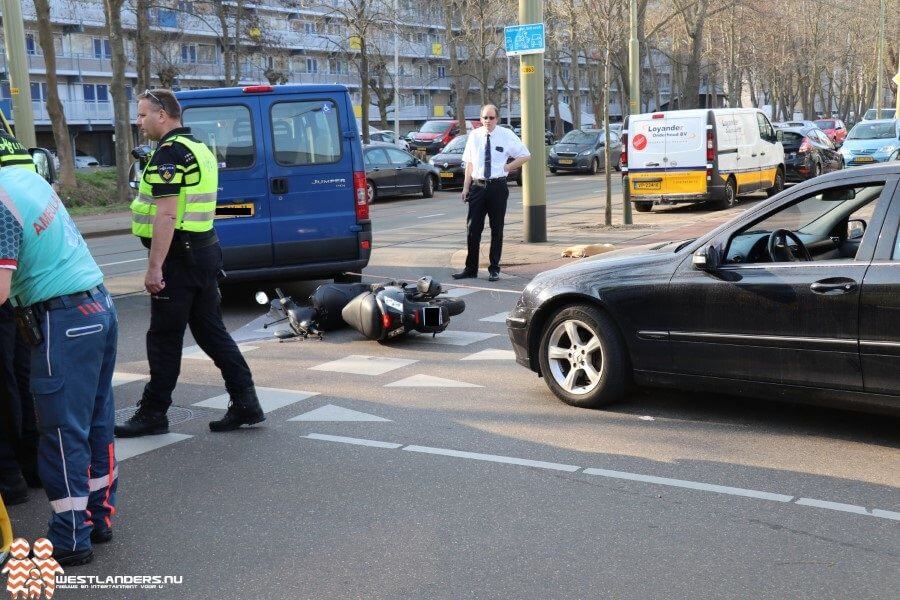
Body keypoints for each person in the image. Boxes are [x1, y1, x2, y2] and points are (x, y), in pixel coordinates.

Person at [115, 89, 264, 438]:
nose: (138, 122)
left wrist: (155, 268)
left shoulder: (170, 154)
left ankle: (153, 413)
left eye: (142, 115)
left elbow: (166, 216)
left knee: (164, 337)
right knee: (211, 331)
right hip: (204, 250)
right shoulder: (198, 147)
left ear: (162, 114)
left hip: (180, 257)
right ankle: (246, 401)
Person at [0, 166, 118, 567]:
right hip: (96, 304)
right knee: (96, 423)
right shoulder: (24, 178)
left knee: (62, 431)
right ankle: (97, 518)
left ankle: (69, 535)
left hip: (62, 320)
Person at [0, 130, 39, 507]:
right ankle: (30, 466)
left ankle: (10, 477)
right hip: (20, 286)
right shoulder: (9, 138)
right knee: (18, 377)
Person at [453, 104, 531, 282]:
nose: (488, 121)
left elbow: (525, 155)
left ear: (497, 119)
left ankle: (494, 268)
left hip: (497, 187)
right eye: (485, 118)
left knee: (497, 229)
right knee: (473, 229)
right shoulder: (474, 136)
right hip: (478, 187)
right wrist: (466, 187)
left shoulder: (506, 135)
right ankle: (470, 268)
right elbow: (470, 164)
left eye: (491, 118)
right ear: (480, 119)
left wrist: (508, 167)